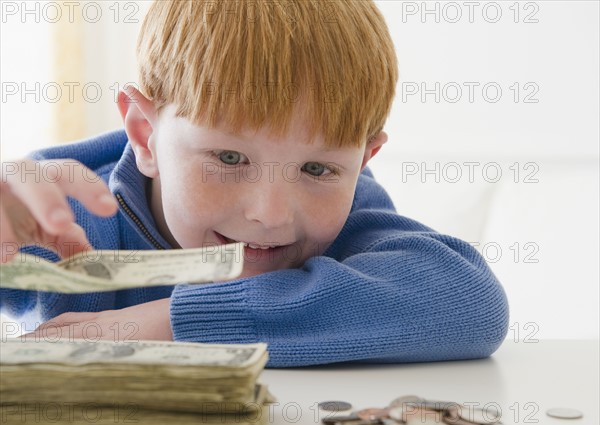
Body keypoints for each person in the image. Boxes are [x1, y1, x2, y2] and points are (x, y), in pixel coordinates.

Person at [0, 0, 508, 367]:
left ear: (364, 159)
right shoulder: (67, 216)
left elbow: (470, 301)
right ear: (146, 137)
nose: (271, 214)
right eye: (228, 156)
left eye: (317, 169)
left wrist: (180, 323)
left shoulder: (350, 219)